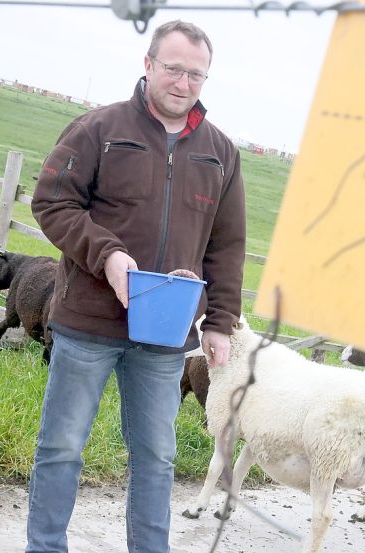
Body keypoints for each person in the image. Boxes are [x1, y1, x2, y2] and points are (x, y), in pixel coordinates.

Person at [27, 20, 246, 553]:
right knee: (61, 447)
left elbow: (227, 245)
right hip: (87, 323)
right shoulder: (96, 129)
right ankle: (44, 547)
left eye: (197, 74)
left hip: (164, 336)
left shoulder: (220, 152)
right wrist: (108, 255)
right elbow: (51, 203)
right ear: (148, 65)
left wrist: (218, 320)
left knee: (156, 455)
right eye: (174, 68)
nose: (184, 82)